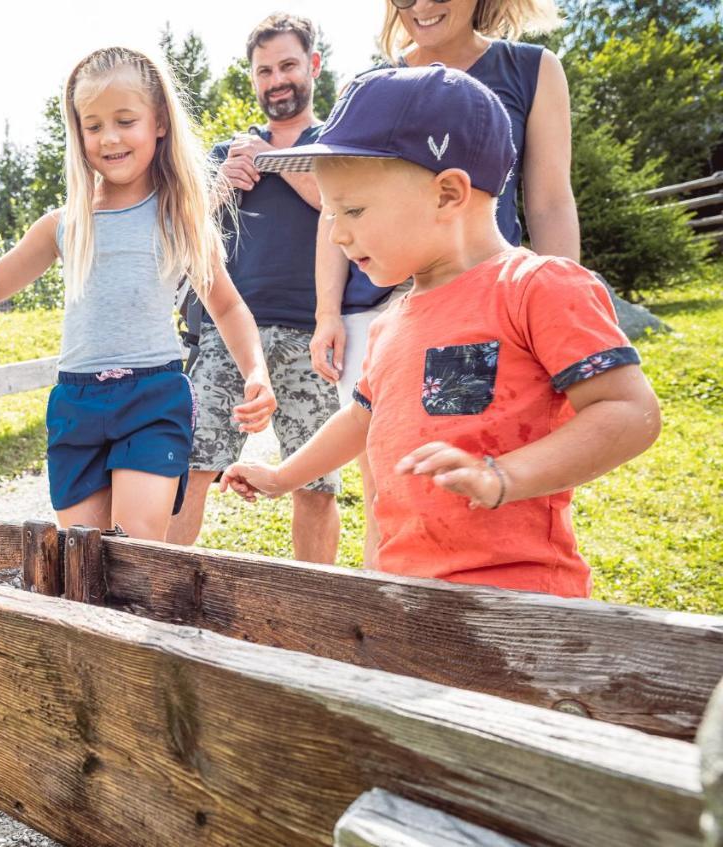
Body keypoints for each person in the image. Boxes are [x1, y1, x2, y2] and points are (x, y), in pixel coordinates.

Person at [223, 66, 659, 597]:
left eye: (353, 209)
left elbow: (629, 413)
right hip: (406, 589)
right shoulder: (391, 322)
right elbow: (361, 419)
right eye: (332, 212)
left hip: (517, 596)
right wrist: (282, 476)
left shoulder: (536, 286)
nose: (337, 233)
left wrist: (502, 477)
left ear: (448, 193)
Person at [0, 46, 276, 542]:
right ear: (78, 133)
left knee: (133, 546)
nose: (109, 137)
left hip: (151, 397)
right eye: (93, 126)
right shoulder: (65, 225)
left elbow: (227, 305)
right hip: (76, 403)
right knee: (82, 560)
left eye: (125, 120)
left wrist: (256, 372)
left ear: (158, 122)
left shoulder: (178, 217)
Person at [307, 0, 581, 565]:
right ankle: (394, 589)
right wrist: (327, 311)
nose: (422, 6)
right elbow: (333, 210)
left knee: (480, 448)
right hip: (391, 305)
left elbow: (551, 199)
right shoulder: (371, 85)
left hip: (492, 310)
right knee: (395, 471)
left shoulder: (529, 69)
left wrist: (562, 312)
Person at [166, 14, 386, 563]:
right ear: (253, 79)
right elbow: (182, 235)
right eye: (264, 70)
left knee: (316, 483)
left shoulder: (335, 144)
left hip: (312, 335)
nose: (276, 79)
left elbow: (334, 205)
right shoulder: (227, 151)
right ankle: (159, 592)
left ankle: (314, 605)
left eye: (288, 65)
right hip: (227, 332)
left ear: (313, 66)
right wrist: (222, 185)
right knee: (194, 464)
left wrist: (272, 163)